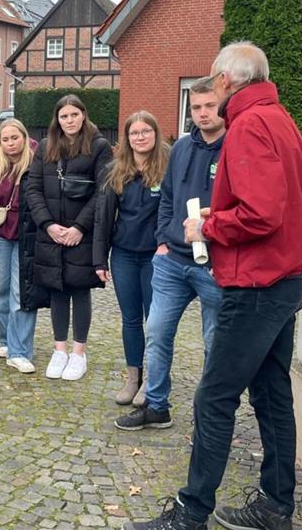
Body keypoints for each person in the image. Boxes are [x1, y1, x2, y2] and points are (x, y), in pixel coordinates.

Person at [125, 42, 302, 530]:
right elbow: (274, 202)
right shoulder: (281, 118)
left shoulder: (249, 125)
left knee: (214, 398)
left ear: (226, 80)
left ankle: (191, 515)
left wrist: (208, 228)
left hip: (257, 284)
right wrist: (221, 215)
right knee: (272, 394)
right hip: (287, 277)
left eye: (214, 81)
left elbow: (262, 214)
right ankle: (276, 506)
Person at [114, 79, 226, 431]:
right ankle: (156, 405)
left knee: (214, 341)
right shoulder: (180, 150)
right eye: (196, 107)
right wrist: (164, 239)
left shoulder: (235, 147)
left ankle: (209, 415)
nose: (203, 113)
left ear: (223, 106)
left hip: (216, 264)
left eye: (210, 106)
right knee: (157, 332)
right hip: (174, 261)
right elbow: (167, 199)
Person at [25, 94, 112, 381]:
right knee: (57, 290)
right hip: (52, 232)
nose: (70, 120)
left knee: (79, 289)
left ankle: (78, 353)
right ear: (58, 119)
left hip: (81, 234)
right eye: (64, 116)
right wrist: (48, 224)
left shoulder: (99, 147)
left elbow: (103, 192)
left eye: (74, 114)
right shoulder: (46, 147)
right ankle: (59, 349)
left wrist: (79, 227)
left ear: (83, 115)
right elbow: (33, 188)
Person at [93, 111, 169, 406]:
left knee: (156, 321)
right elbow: (103, 217)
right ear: (127, 138)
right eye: (134, 133)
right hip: (123, 255)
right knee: (131, 319)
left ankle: (153, 378)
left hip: (156, 256)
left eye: (145, 132)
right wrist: (99, 259)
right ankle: (133, 377)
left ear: (155, 134)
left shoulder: (168, 168)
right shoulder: (116, 170)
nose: (140, 137)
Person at [0, 118, 47, 373]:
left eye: (14, 138)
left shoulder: (38, 163)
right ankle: (7, 338)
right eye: (5, 139)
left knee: (22, 295)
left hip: (27, 236)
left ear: (24, 137)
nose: (10, 143)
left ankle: (21, 351)